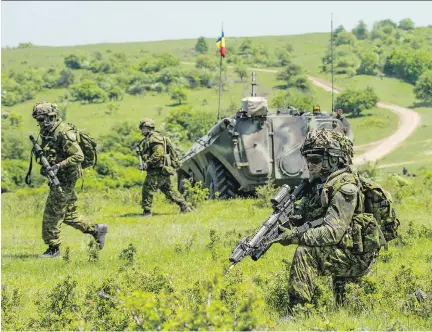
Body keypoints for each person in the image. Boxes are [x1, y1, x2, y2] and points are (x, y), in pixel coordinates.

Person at [269, 128, 381, 308]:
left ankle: (297, 310)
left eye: (315, 160)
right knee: (347, 308)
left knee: (305, 252)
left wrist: (295, 236)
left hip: (356, 255)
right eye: (307, 159)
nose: (310, 165)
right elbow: (309, 215)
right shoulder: (321, 183)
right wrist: (292, 218)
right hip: (343, 248)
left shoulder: (345, 187)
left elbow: (332, 232)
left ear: (334, 159)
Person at [31, 102, 107, 258]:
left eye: (41, 118)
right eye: (37, 119)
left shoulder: (63, 132)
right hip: (58, 177)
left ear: (50, 117)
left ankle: (53, 248)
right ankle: (97, 230)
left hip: (65, 180)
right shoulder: (47, 132)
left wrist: (58, 165)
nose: (39, 122)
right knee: (69, 215)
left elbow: (79, 156)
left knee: (52, 212)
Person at [137, 117, 192, 217]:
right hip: (161, 169)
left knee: (147, 190)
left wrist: (147, 163)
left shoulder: (154, 138)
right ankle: (184, 206)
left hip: (156, 169)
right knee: (169, 189)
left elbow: (159, 153)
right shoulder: (151, 138)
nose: (141, 130)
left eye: (143, 128)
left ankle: (147, 212)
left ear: (148, 128)